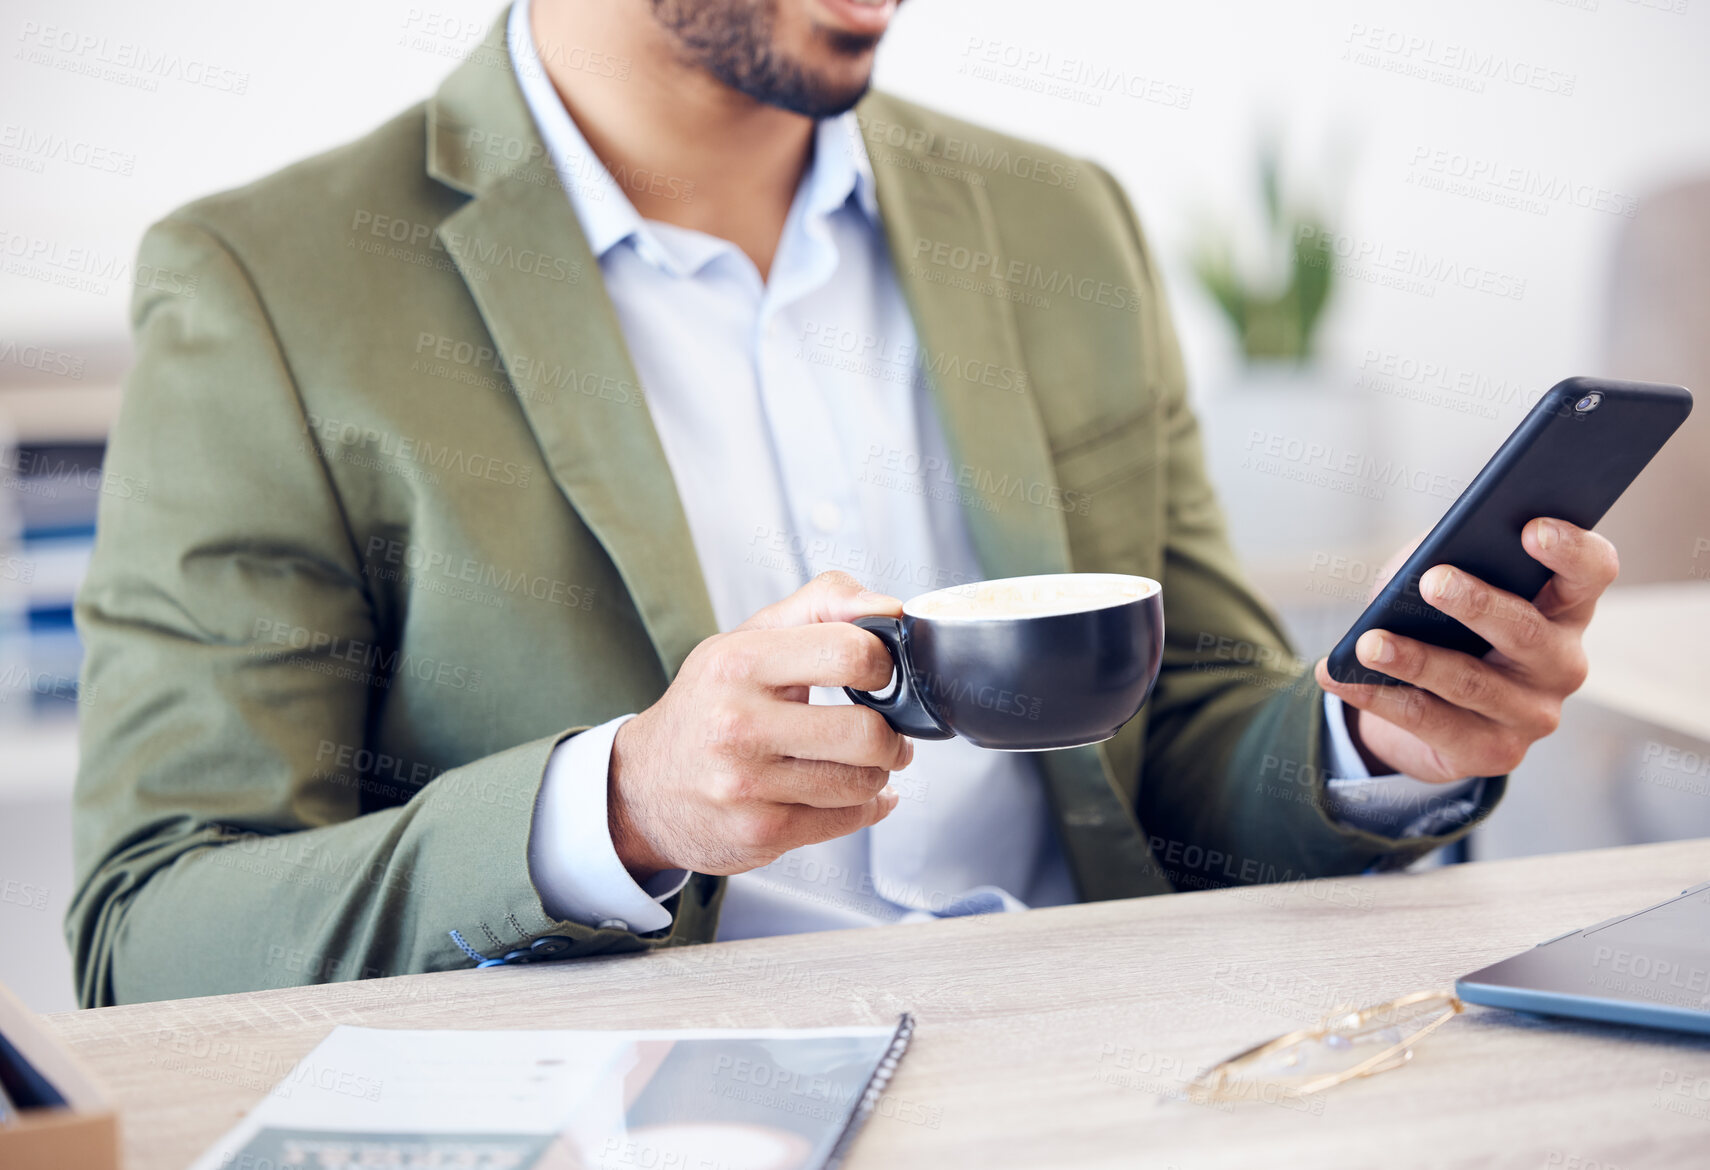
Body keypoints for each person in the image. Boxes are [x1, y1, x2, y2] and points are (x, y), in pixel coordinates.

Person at [66, 0, 1617, 1007]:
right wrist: (619, 803)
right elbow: (153, 932)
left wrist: (1378, 741)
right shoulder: (270, 286)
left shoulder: (1053, 219)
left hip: (1105, 1059)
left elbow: (1192, 732)